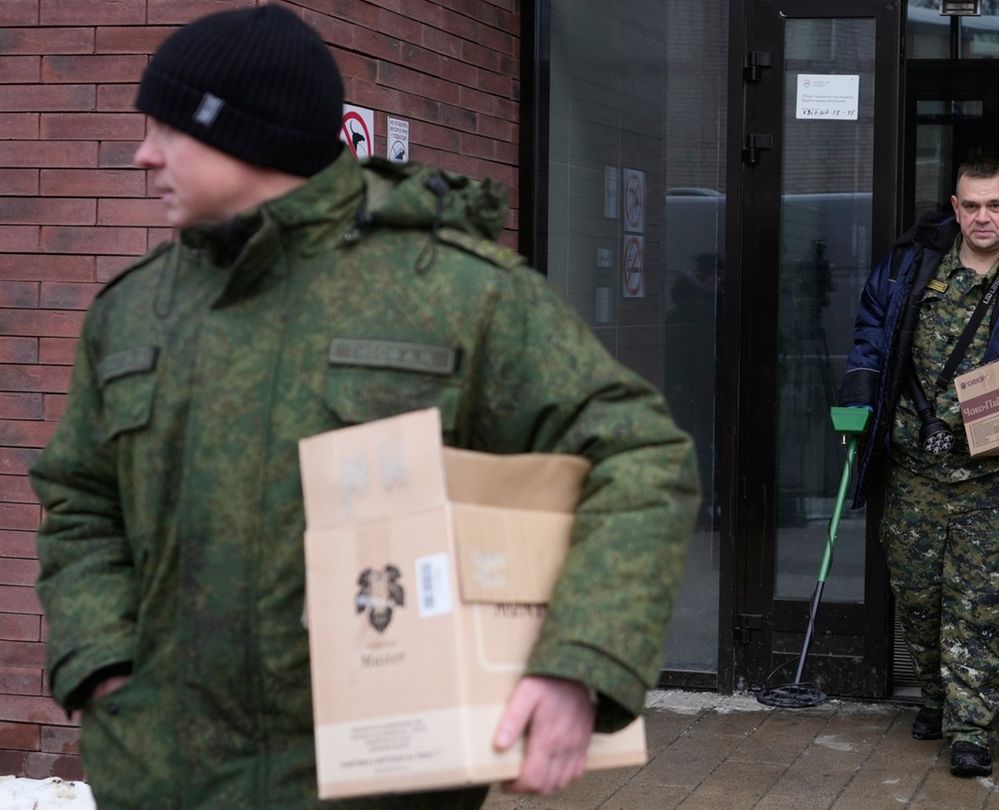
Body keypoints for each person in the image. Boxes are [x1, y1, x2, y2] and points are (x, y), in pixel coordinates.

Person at [28, 7, 698, 809]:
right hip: (162, 776)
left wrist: (578, 662)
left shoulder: (452, 290)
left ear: (245, 133)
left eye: (167, 128)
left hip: (379, 783)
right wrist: (101, 662)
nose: (143, 155)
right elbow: (81, 500)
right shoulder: (132, 313)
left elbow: (638, 457)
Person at [837, 156, 999, 777]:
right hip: (914, 467)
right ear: (955, 208)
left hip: (998, 474)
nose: (984, 218)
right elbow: (870, 334)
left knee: (981, 604)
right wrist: (859, 401)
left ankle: (970, 727)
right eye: (972, 206)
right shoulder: (909, 266)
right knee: (920, 599)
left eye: (996, 206)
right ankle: (935, 696)